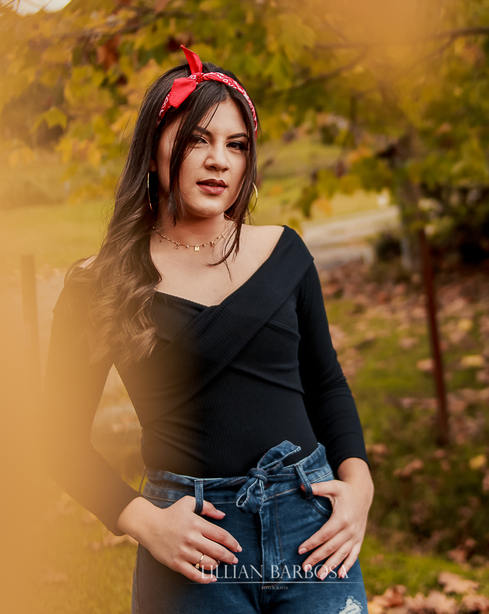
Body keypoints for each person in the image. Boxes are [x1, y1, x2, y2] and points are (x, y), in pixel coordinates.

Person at [42, 45, 373, 614]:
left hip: (310, 531)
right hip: (192, 540)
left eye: (235, 145)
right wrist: (144, 522)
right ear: (154, 151)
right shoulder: (102, 285)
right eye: (198, 139)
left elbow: (326, 385)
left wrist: (358, 486)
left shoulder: (283, 253)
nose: (219, 160)